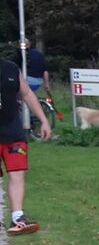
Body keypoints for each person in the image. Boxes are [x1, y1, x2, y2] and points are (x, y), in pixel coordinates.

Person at [0, 54, 53, 235]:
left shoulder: (11, 69)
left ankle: (18, 217)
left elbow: (28, 94)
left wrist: (44, 120)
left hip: (13, 133)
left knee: (17, 173)